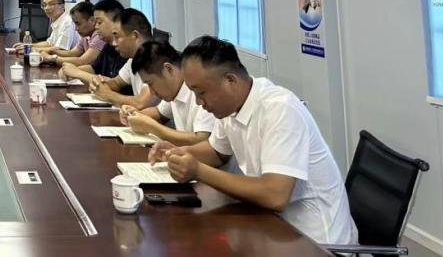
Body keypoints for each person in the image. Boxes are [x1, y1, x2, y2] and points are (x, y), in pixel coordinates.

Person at [151, 36, 356, 245]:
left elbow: (275, 195)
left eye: (201, 92)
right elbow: (217, 152)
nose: (198, 102)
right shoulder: (229, 107)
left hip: (316, 240)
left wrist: (198, 171)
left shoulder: (280, 110)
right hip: (272, 226)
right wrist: (178, 153)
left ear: (230, 80)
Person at [118, 41, 216, 146]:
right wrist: (133, 114)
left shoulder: (200, 91)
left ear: (168, 69)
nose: (152, 92)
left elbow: (201, 140)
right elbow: (159, 113)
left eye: (151, 83)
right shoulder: (174, 89)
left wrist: (152, 127)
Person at [89, 8, 157, 110]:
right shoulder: (133, 59)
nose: (114, 43)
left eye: (117, 37)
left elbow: (141, 103)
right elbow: (116, 83)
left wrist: (107, 94)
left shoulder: (156, 60)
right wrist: (99, 84)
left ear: (135, 36)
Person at [39, 2, 105, 68]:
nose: (76, 29)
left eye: (78, 24)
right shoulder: (86, 36)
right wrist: (51, 51)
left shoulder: (99, 36)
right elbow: (72, 53)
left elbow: (83, 61)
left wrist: (51, 58)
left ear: (92, 20)